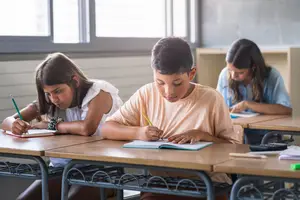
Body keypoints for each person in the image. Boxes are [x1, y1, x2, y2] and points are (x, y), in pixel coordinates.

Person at [101, 37, 242, 200]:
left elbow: (233, 150)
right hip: (161, 185)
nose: (169, 92)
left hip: (208, 185)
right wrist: (138, 132)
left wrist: (202, 135)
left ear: (192, 74)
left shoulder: (211, 98)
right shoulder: (146, 94)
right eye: (160, 82)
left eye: (177, 83)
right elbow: (107, 128)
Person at [2, 52, 123, 200]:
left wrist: (52, 125)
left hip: (102, 169)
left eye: (58, 91)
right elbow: (6, 122)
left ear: (75, 81)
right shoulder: (52, 99)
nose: (54, 99)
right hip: (63, 168)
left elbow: (87, 128)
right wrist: (14, 124)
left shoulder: (99, 92)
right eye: (48, 93)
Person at [216, 38, 292, 144]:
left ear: (254, 67)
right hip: (233, 135)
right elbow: (218, 107)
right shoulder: (225, 75)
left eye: (240, 72)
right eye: (230, 70)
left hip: (265, 137)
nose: (233, 76)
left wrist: (248, 105)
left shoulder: (271, 76)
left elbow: (286, 109)